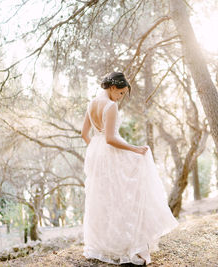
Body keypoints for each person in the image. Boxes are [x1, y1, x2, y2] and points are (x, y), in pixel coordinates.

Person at [81, 72, 179, 265]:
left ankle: (105, 244)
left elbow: (84, 134)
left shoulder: (91, 103)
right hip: (110, 152)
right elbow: (110, 138)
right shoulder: (110, 106)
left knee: (103, 199)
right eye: (121, 93)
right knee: (124, 195)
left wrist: (96, 151)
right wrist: (135, 149)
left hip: (97, 153)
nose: (121, 97)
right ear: (112, 88)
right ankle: (129, 244)